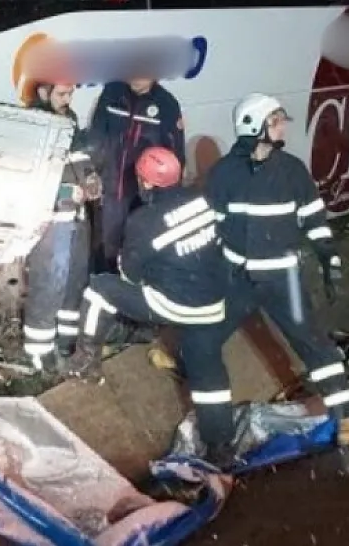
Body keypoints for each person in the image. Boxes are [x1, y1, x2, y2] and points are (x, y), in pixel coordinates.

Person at [205, 93, 349, 451]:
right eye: (275, 121)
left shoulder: (292, 170)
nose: (283, 127)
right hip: (238, 280)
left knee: (315, 345)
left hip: (283, 280)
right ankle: (207, 418)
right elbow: (212, 227)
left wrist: (329, 259)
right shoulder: (224, 174)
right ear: (253, 126)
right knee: (204, 339)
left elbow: (315, 221)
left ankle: (345, 416)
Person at [64, 147, 239, 466]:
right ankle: (221, 447)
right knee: (209, 371)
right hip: (214, 302)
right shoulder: (203, 199)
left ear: (146, 182)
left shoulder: (144, 221)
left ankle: (86, 360)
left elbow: (129, 276)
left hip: (174, 304)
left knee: (101, 288)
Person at [20, 80, 101, 371]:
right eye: (62, 94)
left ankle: (67, 341)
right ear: (43, 93)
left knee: (75, 279)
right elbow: (29, 176)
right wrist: (64, 193)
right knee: (49, 282)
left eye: (71, 94)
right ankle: (39, 351)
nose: (68, 100)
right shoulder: (32, 125)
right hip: (52, 220)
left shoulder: (69, 119)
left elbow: (79, 157)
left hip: (77, 216)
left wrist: (90, 177)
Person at [87, 76, 187, 272]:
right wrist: (93, 173)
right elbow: (95, 138)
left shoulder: (166, 104)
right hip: (112, 189)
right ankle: (109, 279)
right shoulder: (112, 93)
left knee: (140, 247)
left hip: (145, 196)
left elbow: (175, 157)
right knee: (108, 247)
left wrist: (167, 200)